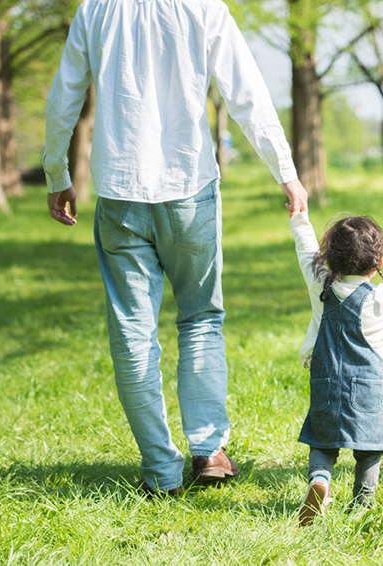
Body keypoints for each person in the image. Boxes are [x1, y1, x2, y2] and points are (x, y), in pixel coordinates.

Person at [43, 0, 308, 496]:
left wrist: (57, 173)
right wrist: (286, 173)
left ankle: (160, 469)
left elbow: (64, 95)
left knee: (131, 330)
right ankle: (208, 450)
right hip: (190, 187)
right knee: (201, 318)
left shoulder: (94, 10)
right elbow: (247, 91)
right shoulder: (204, 7)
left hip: (119, 191)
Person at [288, 207, 383, 525]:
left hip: (327, 384)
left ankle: (320, 480)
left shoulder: (321, 286)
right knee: (371, 447)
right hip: (371, 390)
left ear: (328, 258)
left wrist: (299, 217)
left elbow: (305, 250)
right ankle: (363, 499)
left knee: (322, 439)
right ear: (379, 263)